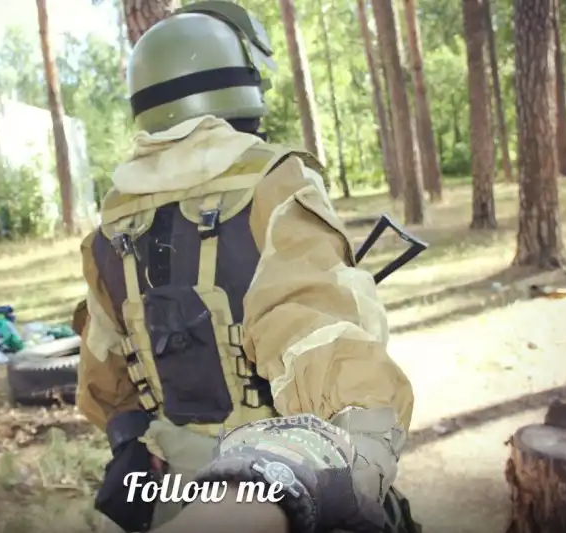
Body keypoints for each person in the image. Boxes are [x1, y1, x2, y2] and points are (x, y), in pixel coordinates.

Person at [74, 2, 419, 532]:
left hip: (172, 491)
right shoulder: (273, 184)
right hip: (281, 485)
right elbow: (309, 321)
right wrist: (363, 445)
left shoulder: (110, 227)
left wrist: (130, 443)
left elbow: (104, 374)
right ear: (239, 82)